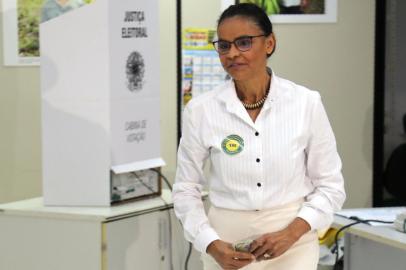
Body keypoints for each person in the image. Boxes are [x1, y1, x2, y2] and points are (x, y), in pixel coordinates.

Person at [173, 3, 345, 270]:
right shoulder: (201, 110)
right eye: (224, 45)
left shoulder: (305, 103)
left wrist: (291, 233)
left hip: (292, 244)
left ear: (269, 43)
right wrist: (209, 242)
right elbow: (185, 189)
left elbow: (331, 186)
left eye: (243, 43)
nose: (232, 53)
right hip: (226, 246)